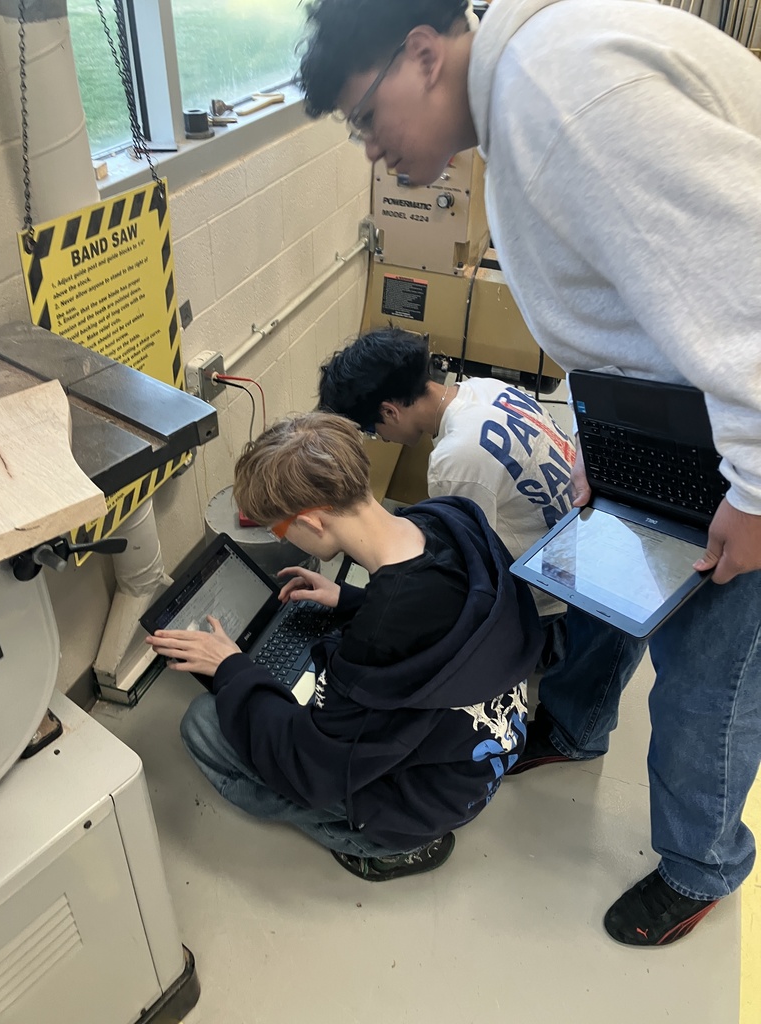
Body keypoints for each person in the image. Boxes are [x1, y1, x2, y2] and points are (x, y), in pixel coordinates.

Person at [295, 0, 761, 944]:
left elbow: (746, 288)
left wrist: (755, 491)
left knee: (706, 674)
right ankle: (577, 726)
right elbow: (626, 302)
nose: (372, 151)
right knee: (604, 594)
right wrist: (607, 449)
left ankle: (703, 863)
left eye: (363, 118)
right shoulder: (518, 106)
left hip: (736, 442)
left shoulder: (567, 94)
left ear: (422, 55)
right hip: (665, 428)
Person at [147, 412, 543, 881]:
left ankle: (385, 847)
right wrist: (353, 600)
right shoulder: (446, 520)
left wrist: (232, 667)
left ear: (312, 522)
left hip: (428, 802)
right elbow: (441, 609)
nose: (281, 537)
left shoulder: (382, 632)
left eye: (278, 529)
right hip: (480, 754)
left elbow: (308, 767)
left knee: (204, 725)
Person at [318, 327, 575, 625]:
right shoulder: (486, 389)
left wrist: (360, 602)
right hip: (587, 558)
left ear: (389, 412)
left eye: (373, 431)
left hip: (563, 606)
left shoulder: (455, 459)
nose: (384, 440)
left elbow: (458, 579)